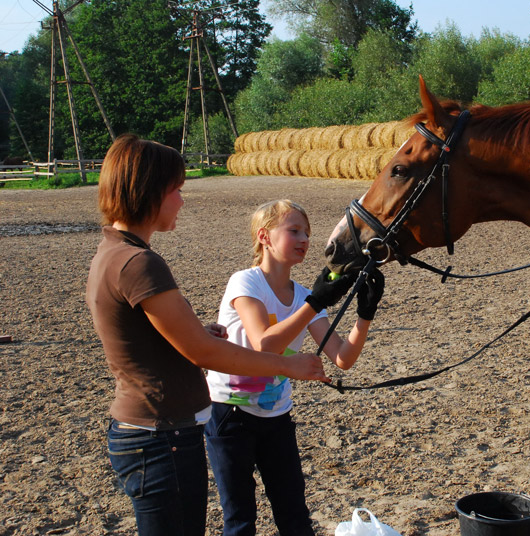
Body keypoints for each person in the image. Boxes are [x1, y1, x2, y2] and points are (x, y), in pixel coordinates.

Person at [85, 135, 354, 536]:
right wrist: (287, 366)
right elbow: (205, 353)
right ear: (151, 191)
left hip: (157, 431)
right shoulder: (140, 263)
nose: (181, 199)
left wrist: (196, 332)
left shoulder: (114, 253)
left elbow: (168, 340)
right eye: (176, 189)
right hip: (161, 434)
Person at [204, 199, 384, 536]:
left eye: (307, 233)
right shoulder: (245, 283)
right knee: (240, 517)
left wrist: (365, 314)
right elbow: (264, 344)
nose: (304, 239)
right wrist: (314, 301)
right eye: (293, 230)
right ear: (264, 237)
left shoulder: (304, 294)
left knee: (294, 515)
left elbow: (342, 357)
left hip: (276, 417)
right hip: (230, 414)